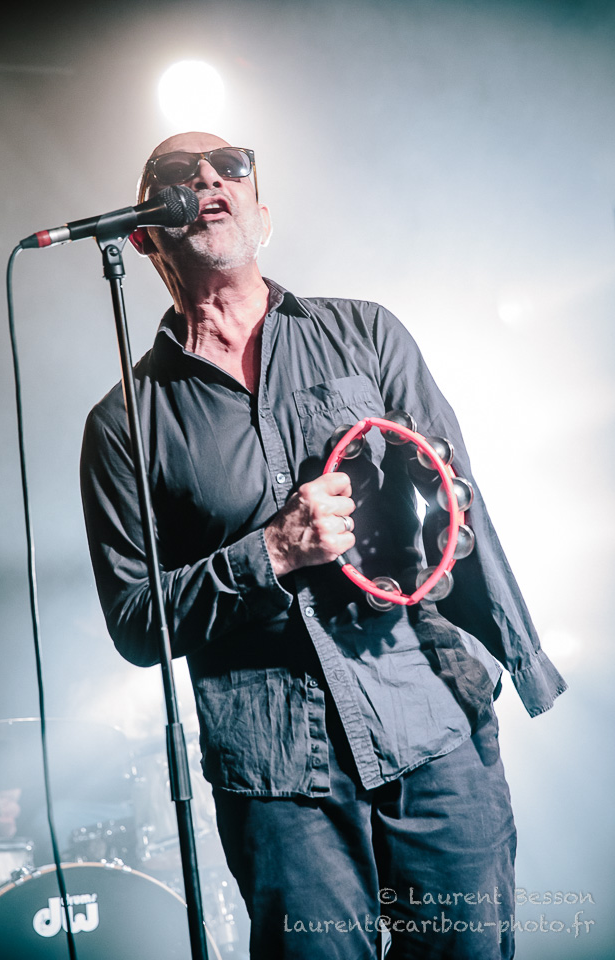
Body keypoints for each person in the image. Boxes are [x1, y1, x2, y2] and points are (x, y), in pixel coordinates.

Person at [80, 132, 567, 960]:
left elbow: (463, 507)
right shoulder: (125, 421)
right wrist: (270, 552)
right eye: (178, 174)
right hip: (278, 774)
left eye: (231, 166)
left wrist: (514, 653)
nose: (208, 177)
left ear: (262, 214)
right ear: (144, 234)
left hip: (429, 723)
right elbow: (135, 619)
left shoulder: (365, 334)